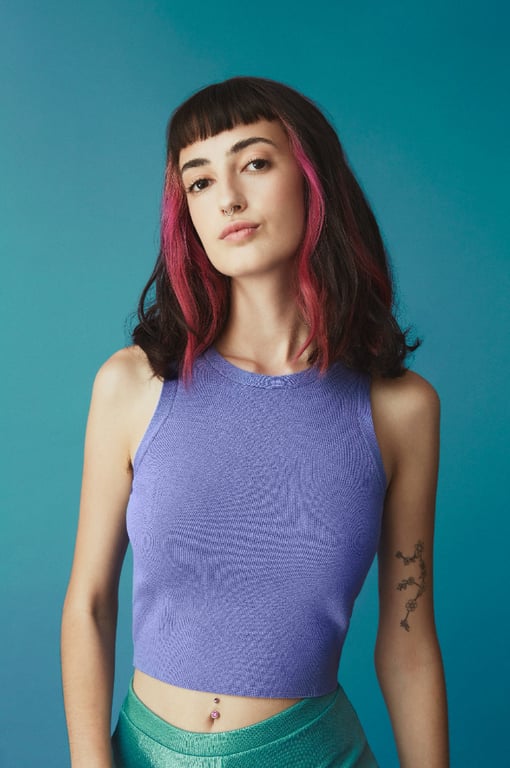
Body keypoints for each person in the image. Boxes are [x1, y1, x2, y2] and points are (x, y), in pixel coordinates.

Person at [61, 76, 449, 767]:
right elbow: (89, 605)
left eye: (256, 163)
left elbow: (408, 638)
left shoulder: (401, 409)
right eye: (200, 181)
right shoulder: (132, 385)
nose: (229, 198)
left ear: (312, 179)